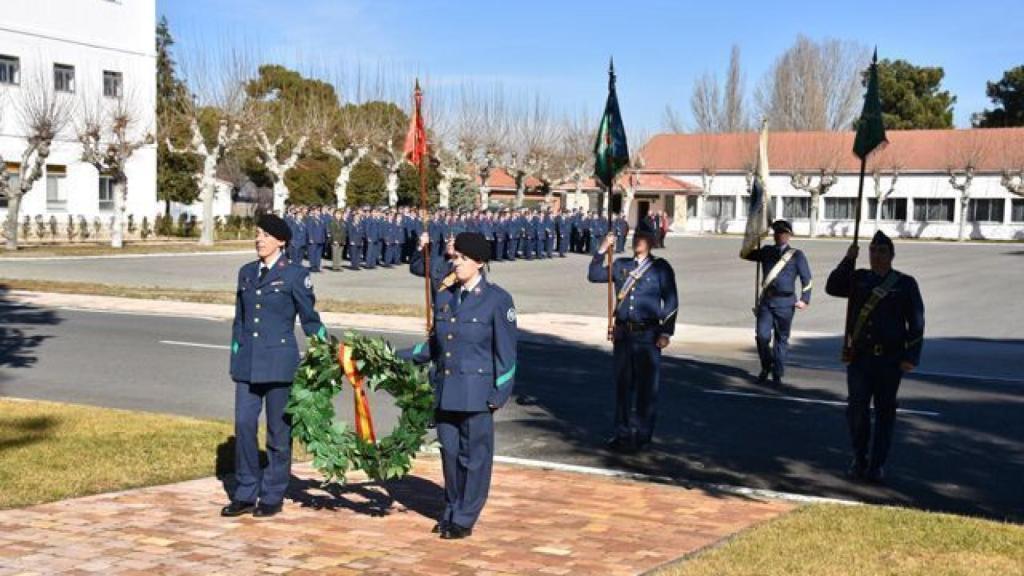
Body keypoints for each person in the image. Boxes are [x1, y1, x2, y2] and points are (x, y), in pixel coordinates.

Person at [400, 232, 517, 540]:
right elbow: (433, 348)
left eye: (463, 258)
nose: (456, 263)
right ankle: (451, 508)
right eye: (455, 257)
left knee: (474, 458)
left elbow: (506, 355)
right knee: (450, 456)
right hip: (445, 389)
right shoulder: (446, 296)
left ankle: (465, 517)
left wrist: (499, 394)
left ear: (479, 262)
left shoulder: (497, 300)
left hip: (477, 393)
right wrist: (392, 355)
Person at [222, 214, 326, 518]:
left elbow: (309, 318)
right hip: (248, 363)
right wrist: (235, 358)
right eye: (257, 234)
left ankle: (272, 494)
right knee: (243, 426)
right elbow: (240, 320)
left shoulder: (295, 274)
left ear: (281, 241)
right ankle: (245, 491)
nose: (259, 240)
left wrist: (325, 346)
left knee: (278, 434)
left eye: (265, 235)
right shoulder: (246, 273)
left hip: (280, 364)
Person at [826, 230, 924, 483]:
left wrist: (910, 356)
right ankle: (860, 458)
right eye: (872, 250)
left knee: (885, 413)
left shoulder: (904, 283)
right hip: (860, 358)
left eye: (881, 251)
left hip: (890, 361)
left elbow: (916, 321)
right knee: (856, 411)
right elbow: (833, 287)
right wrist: (848, 260)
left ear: (891, 255)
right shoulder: (859, 279)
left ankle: (877, 464)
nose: (876, 255)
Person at [587, 220, 678, 452]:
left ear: (652, 242)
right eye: (636, 236)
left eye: (644, 237)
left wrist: (666, 331)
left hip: (648, 335)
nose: (639, 241)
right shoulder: (621, 266)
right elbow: (595, 275)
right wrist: (601, 248)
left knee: (647, 389)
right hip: (624, 334)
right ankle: (622, 433)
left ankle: (643, 434)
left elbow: (671, 301)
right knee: (623, 387)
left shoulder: (660, 268)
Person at [740, 219, 812, 386]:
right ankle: (766, 366)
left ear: (789, 235)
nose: (780, 236)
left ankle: (777, 372)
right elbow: (744, 254)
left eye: (784, 233)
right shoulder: (766, 251)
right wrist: (752, 234)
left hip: (786, 302)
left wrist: (805, 299)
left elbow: (806, 278)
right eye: (777, 233)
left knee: (781, 338)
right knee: (762, 336)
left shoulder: (797, 255)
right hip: (767, 301)